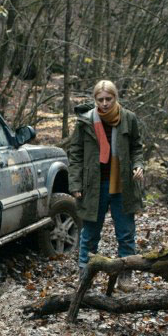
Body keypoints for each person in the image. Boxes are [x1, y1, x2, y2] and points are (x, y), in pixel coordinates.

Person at [69, 80, 145, 284]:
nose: (104, 103)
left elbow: (137, 147)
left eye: (108, 99)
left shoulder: (128, 118)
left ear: (115, 98)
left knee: (126, 232)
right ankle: (85, 275)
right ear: (95, 100)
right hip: (93, 185)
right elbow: (75, 153)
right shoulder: (85, 121)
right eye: (100, 99)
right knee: (90, 233)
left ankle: (126, 273)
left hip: (122, 184)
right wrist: (75, 184)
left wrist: (138, 165)